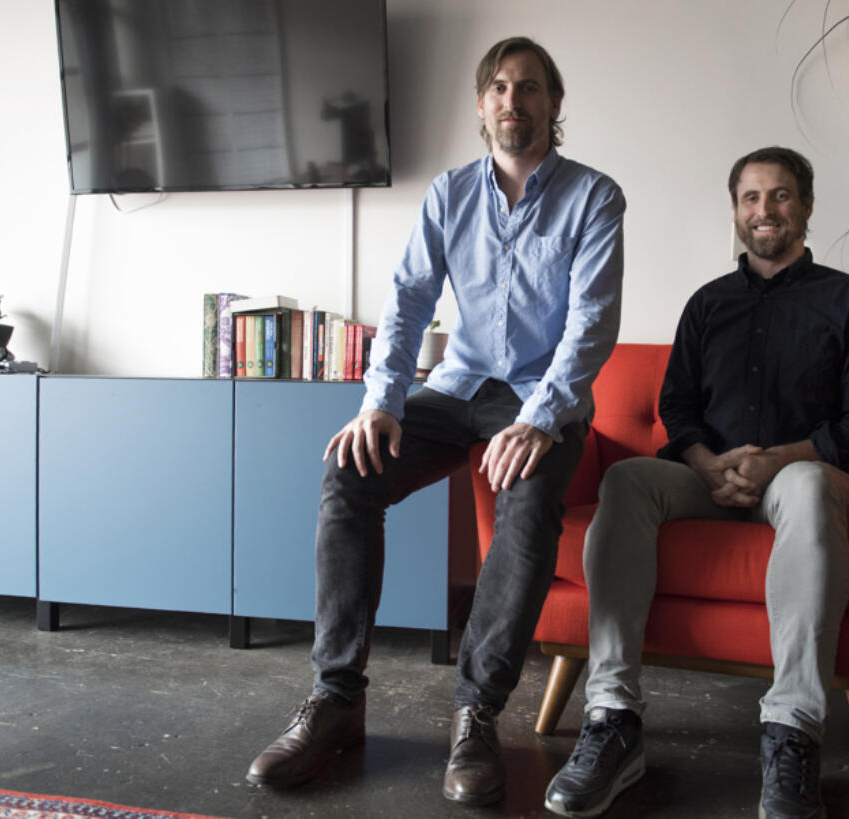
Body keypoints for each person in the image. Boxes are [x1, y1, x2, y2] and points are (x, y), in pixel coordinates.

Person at [246, 36, 625, 806]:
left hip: (537, 397)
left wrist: (543, 416)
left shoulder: (595, 197)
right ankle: (336, 697)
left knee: (526, 500)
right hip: (457, 386)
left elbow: (591, 322)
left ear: (554, 105)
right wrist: (380, 402)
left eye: (528, 88)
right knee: (348, 472)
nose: (512, 100)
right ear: (482, 105)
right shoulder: (450, 195)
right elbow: (408, 301)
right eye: (499, 88)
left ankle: (476, 713)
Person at [543, 146, 849, 819]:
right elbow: (676, 407)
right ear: (736, 209)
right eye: (752, 197)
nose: (766, 211)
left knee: (812, 488)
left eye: (781, 195)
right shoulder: (707, 305)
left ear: (807, 207)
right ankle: (613, 715)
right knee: (627, 480)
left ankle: (792, 730)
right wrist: (705, 462)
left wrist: (779, 460)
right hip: (709, 475)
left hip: (803, 480)